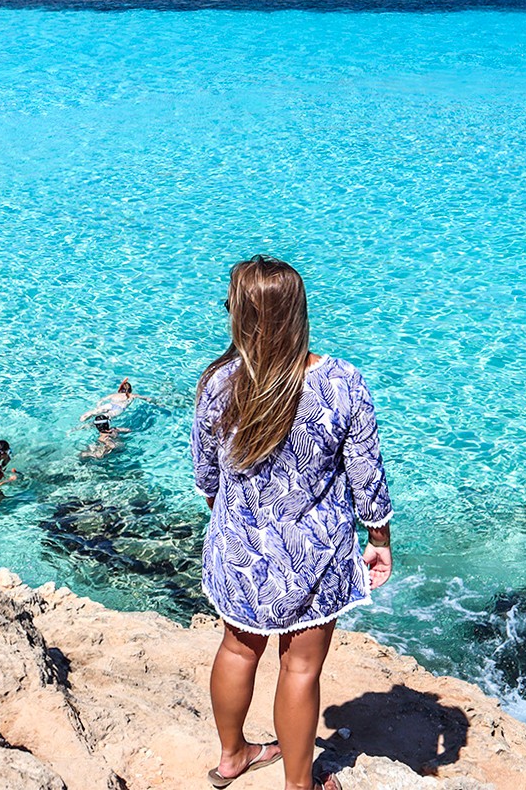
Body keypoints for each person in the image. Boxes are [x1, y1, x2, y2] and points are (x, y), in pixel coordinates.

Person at [193, 256, 392, 790]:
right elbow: (366, 477)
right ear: (298, 312)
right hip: (316, 553)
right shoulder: (341, 382)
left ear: (240, 314)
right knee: (300, 669)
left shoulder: (217, 384)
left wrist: (239, 528)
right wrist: (378, 539)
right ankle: (299, 785)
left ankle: (232, 757)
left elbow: (207, 479)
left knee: (237, 647)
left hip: (240, 546)